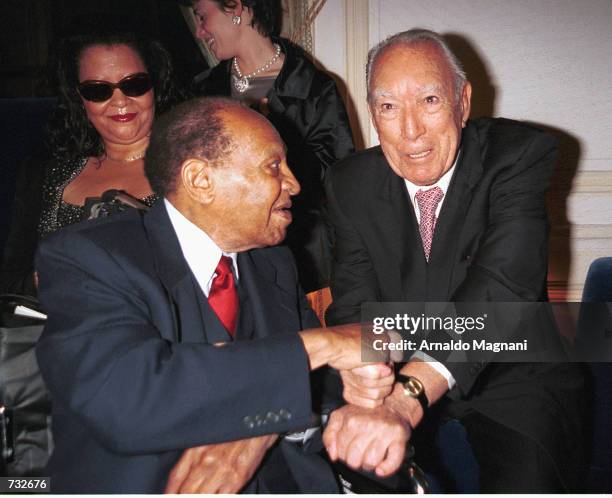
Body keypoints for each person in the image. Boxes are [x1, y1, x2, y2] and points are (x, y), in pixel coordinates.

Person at [34, 97, 406, 494]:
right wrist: (323, 345)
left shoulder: (273, 263)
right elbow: (128, 396)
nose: (294, 184)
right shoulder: (91, 257)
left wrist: (366, 395)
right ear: (200, 181)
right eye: (274, 166)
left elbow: (324, 387)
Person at [323, 29, 586, 492]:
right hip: (396, 369)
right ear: (373, 114)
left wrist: (410, 397)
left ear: (463, 102)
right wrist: (366, 375)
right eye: (388, 107)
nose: (410, 132)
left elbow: (503, 288)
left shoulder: (518, 155)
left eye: (428, 100)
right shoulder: (349, 184)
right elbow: (354, 299)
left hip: (512, 375)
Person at [181, 0, 355, 292]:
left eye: (202, 17)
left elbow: (340, 180)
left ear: (235, 7)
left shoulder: (313, 88)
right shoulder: (202, 91)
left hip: (302, 259)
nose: (199, 32)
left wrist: (271, 141)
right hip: (224, 261)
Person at [0, 22, 183, 295]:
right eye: (98, 90)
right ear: (79, 98)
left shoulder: (195, 170)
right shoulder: (45, 174)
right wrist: (56, 271)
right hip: (59, 329)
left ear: (155, 86)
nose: (120, 101)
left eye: (134, 85)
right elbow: (11, 285)